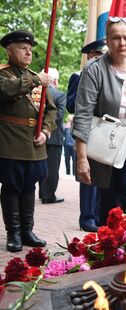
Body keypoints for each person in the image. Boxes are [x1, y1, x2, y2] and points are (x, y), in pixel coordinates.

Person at [73, 18, 126, 226]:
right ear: (107, 41)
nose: (122, 43)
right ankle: (108, 247)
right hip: (103, 148)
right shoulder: (94, 69)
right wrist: (81, 157)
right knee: (107, 200)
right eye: (116, 38)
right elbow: (83, 114)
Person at [0, 30, 57, 252]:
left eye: (30, 49)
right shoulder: (4, 75)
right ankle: (13, 233)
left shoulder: (35, 76)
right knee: (12, 187)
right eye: (23, 48)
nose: (28, 52)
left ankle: (27, 231)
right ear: (10, 50)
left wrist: (46, 130)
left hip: (35, 144)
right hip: (10, 142)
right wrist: (36, 80)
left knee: (29, 187)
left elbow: (51, 109)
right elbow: (6, 90)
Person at [67, 39, 107, 232]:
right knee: (89, 176)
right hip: (88, 130)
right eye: (99, 55)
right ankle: (87, 218)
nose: (102, 59)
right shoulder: (79, 76)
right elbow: (70, 104)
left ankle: (100, 216)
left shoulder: (109, 76)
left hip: (105, 132)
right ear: (91, 55)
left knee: (104, 176)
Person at [39, 67, 66, 204]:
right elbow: (59, 115)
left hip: (38, 134)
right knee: (52, 168)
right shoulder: (60, 95)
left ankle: (42, 192)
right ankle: (48, 195)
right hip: (54, 136)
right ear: (55, 80)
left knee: (41, 164)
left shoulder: (37, 92)